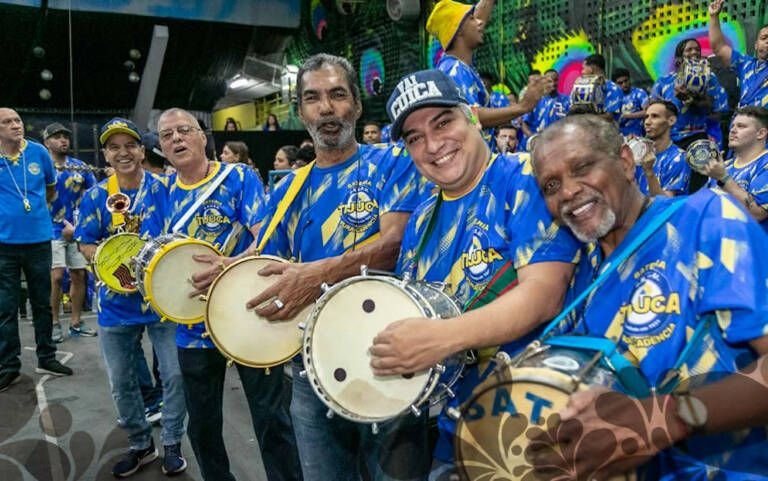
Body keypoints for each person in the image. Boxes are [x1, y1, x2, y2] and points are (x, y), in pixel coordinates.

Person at [528, 114, 768, 480]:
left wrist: (664, 418)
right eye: (550, 185)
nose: (568, 191)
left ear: (625, 162)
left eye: (583, 167)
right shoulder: (583, 273)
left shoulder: (705, 218)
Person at [367, 69, 579, 480]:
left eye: (443, 122)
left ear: (473, 117)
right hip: (453, 426)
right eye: (414, 138)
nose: (432, 145)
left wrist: (438, 339)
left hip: (529, 430)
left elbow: (543, 295)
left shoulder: (524, 180)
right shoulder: (423, 217)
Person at [233, 53, 426, 481]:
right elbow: (270, 263)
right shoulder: (288, 187)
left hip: (388, 357)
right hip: (311, 367)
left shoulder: (392, 162)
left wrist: (315, 274)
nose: (326, 108)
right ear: (300, 111)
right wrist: (228, 268)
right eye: (313, 98)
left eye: (337, 95)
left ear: (356, 105)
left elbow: (393, 245)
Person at [147, 108, 300, 481]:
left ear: (203, 136)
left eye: (184, 130)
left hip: (248, 314)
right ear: (162, 149)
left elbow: (265, 238)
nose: (177, 139)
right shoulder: (160, 192)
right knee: (202, 426)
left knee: (272, 420)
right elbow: (153, 256)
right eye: (167, 136)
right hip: (192, 327)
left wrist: (227, 265)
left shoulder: (239, 177)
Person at [75, 117, 187, 477]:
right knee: (121, 381)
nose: (123, 153)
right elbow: (85, 241)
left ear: (142, 150)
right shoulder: (96, 195)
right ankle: (141, 445)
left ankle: (171, 442)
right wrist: (109, 262)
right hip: (115, 305)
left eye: (130, 145)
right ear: (105, 154)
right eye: (114, 147)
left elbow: (178, 238)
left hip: (162, 300)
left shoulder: (165, 189)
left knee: (175, 376)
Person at [0, 108, 72, 393]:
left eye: (17, 120)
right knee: (5, 309)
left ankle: (47, 357)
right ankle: (8, 367)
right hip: (3, 245)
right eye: (7, 122)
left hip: (39, 240)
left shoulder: (40, 153)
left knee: (43, 303)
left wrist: (31, 211)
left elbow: (51, 190)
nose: (16, 125)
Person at [426, 0, 547, 128]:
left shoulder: (457, 62)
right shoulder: (455, 70)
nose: (480, 22)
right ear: (459, 30)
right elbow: (472, 116)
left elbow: (469, 22)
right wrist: (523, 107)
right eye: (472, 19)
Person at [43, 122, 97, 341]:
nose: (63, 140)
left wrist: (80, 226)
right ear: (46, 142)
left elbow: (94, 194)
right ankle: (54, 323)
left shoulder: (79, 167)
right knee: (56, 277)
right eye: (57, 137)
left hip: (75, 230)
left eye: (65, 136)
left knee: (79, 274)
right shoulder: (41, 167)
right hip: (49, 229)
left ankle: (76, 323)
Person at [701, 106, 768, 231]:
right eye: (732, 126)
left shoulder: (765, 164)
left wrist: (723, 178)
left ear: (761, 133)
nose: (733, 130)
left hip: (755, 248)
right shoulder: (723, 166)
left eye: (741, 126)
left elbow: (757, 214)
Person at [709, 0, 768, 108]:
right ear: (756, 45)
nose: (767, 41)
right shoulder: (746, 64)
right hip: (742, 121)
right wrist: (714, 17)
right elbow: (719, 48)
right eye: (764, 38)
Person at [635, 99, 691, 196]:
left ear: (671, 121)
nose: (647, 122)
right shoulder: (637, 154)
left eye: (655, 116)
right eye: (646, 117)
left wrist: (649, 172)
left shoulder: (679, 158)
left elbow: (665, 204)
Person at [522, 69, 570, 141]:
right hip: (539, 143)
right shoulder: (535, 100)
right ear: (544, 82)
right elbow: (524, 123)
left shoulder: (567, 100)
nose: (553, 84)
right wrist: (532, 138)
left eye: (555, 80)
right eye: (549, 81)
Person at [579, 54, 624, 121]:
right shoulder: (583, 89)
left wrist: (584, 119)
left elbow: (609, 117)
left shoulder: (613, 89)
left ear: (592, 68)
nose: (582, 72)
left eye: (584, 68)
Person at [613, 67, 649, 137]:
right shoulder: (613, 98)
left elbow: (647, 111)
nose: (624, 84)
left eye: (626, 81)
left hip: (638, 136)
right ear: (615, 84)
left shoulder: (639, 93)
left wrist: (627, 116)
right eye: (620, 83)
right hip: (618, 137)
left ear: (630, 79)